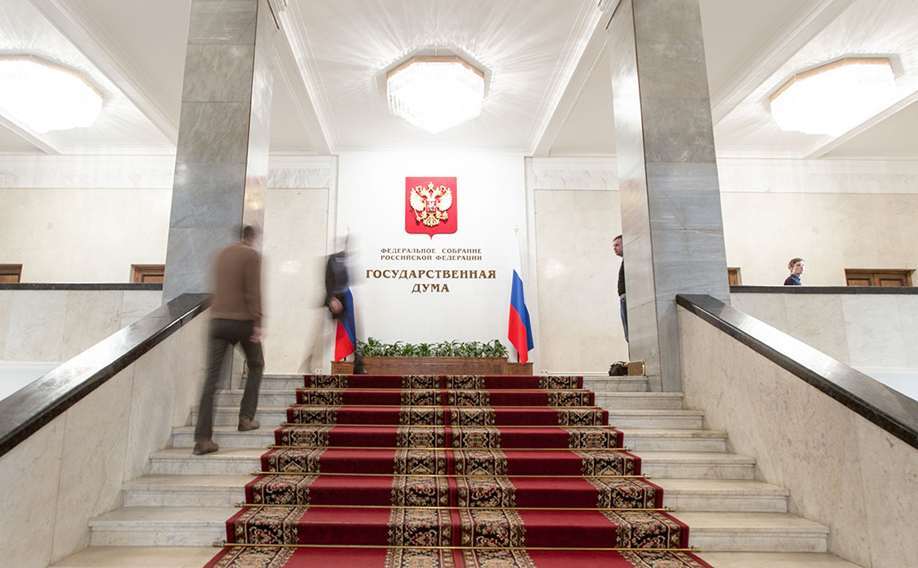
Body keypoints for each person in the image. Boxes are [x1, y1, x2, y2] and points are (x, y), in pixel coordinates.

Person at [193, 225, 265, 456]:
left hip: (217, 322)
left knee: (211, 381)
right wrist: (258, 322)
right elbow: (253, 291)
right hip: (242, 322)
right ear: (252, 237)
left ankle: (203, 439)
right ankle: (246, 418)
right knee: (256, 364)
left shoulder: (221, 254)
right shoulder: (251, 255)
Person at [325, 248, 365, 373]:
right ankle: (310, 360)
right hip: (337, 300)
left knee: (350, 332)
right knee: (337, 333)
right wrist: (331, 298)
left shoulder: (348, 261)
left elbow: (353, 279)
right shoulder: (332, 259)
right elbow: (327, 281)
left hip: (346, 299)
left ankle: (357, 364)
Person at [613, 234, 628, 342]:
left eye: (617, 245)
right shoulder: (625, 261)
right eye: (614, 246)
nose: (614, 248)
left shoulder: (629, 260)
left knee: (629, 334)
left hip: (627, 298)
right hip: (623, 298)